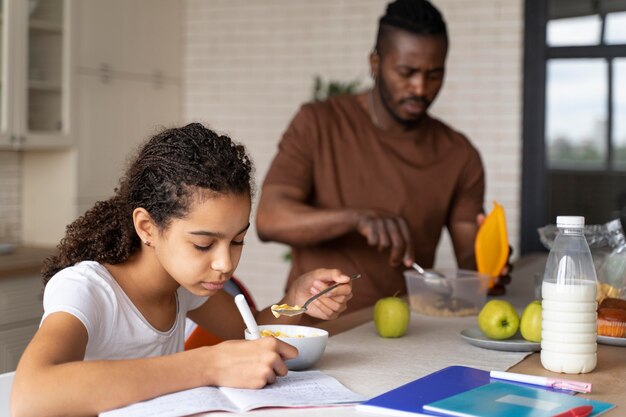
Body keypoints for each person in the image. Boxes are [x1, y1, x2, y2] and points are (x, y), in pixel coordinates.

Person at [11, 123, 354, 416]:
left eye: (237, 241)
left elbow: (248, 333)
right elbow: (31, 396)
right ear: (147, 227)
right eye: (203, 245)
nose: (225, 264)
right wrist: (208, 365)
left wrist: (295, 299)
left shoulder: (183, 286)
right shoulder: (87, 288)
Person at [256, 0, 509, 321]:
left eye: (434, 74)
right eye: (407, 72)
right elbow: (269, 219)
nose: (420, 87)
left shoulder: (460, 154)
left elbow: (470, 263)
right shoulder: (318, 123)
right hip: (317, 334)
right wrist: (357, 219)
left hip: (408, 334)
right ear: (375, 63)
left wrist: (493, 268)